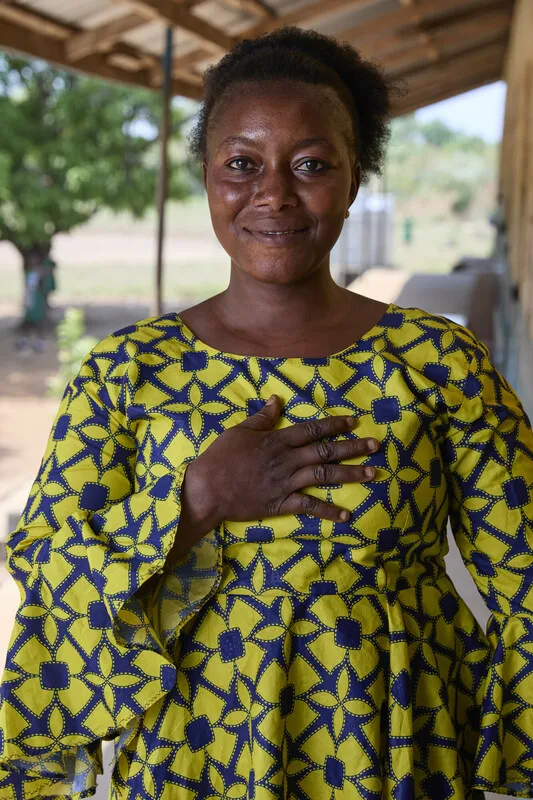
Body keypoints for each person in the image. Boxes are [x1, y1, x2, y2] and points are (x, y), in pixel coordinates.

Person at [0, 27, 531, 800]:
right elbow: (49, 566)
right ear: (206, 179)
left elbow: (523, 574)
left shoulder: (436, 361)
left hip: (388, 743)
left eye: (311, 165)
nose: (274, 194)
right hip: (193, 750)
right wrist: (195, 500)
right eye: (241, 164)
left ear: (354, 179)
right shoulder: (128, 370)